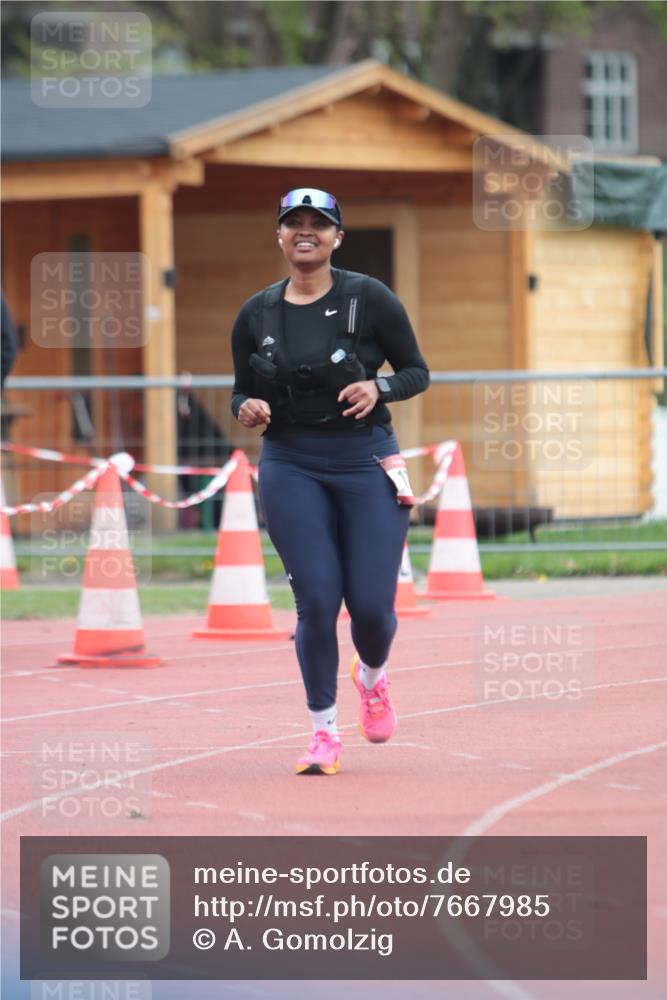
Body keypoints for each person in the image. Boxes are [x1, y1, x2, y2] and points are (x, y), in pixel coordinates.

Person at [230, 188, 429, 775]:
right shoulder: (257, 313)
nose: (305, 231)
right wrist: (246, 408)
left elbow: (416, 371)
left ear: (337, 237)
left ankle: (372, 676)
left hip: (365, 459)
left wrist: (379, 387)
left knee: (371, 608)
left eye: (318, 223)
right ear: (279, 236)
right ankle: (323, 732)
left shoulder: (369, 297)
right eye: (294, 223)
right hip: (290, 462)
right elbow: (241, 390)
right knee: (316, 601)